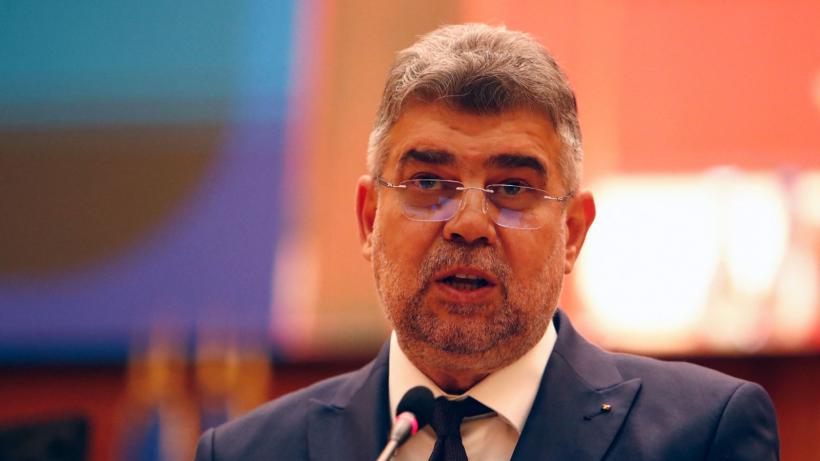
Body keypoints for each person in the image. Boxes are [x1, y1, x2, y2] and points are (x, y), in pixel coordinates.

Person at [194, 23, 779, 461]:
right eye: (429, 182)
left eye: (513, 188)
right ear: (369, 218)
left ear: (573, 233)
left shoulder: (701, 435)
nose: (469, 223)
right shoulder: (249, 452)